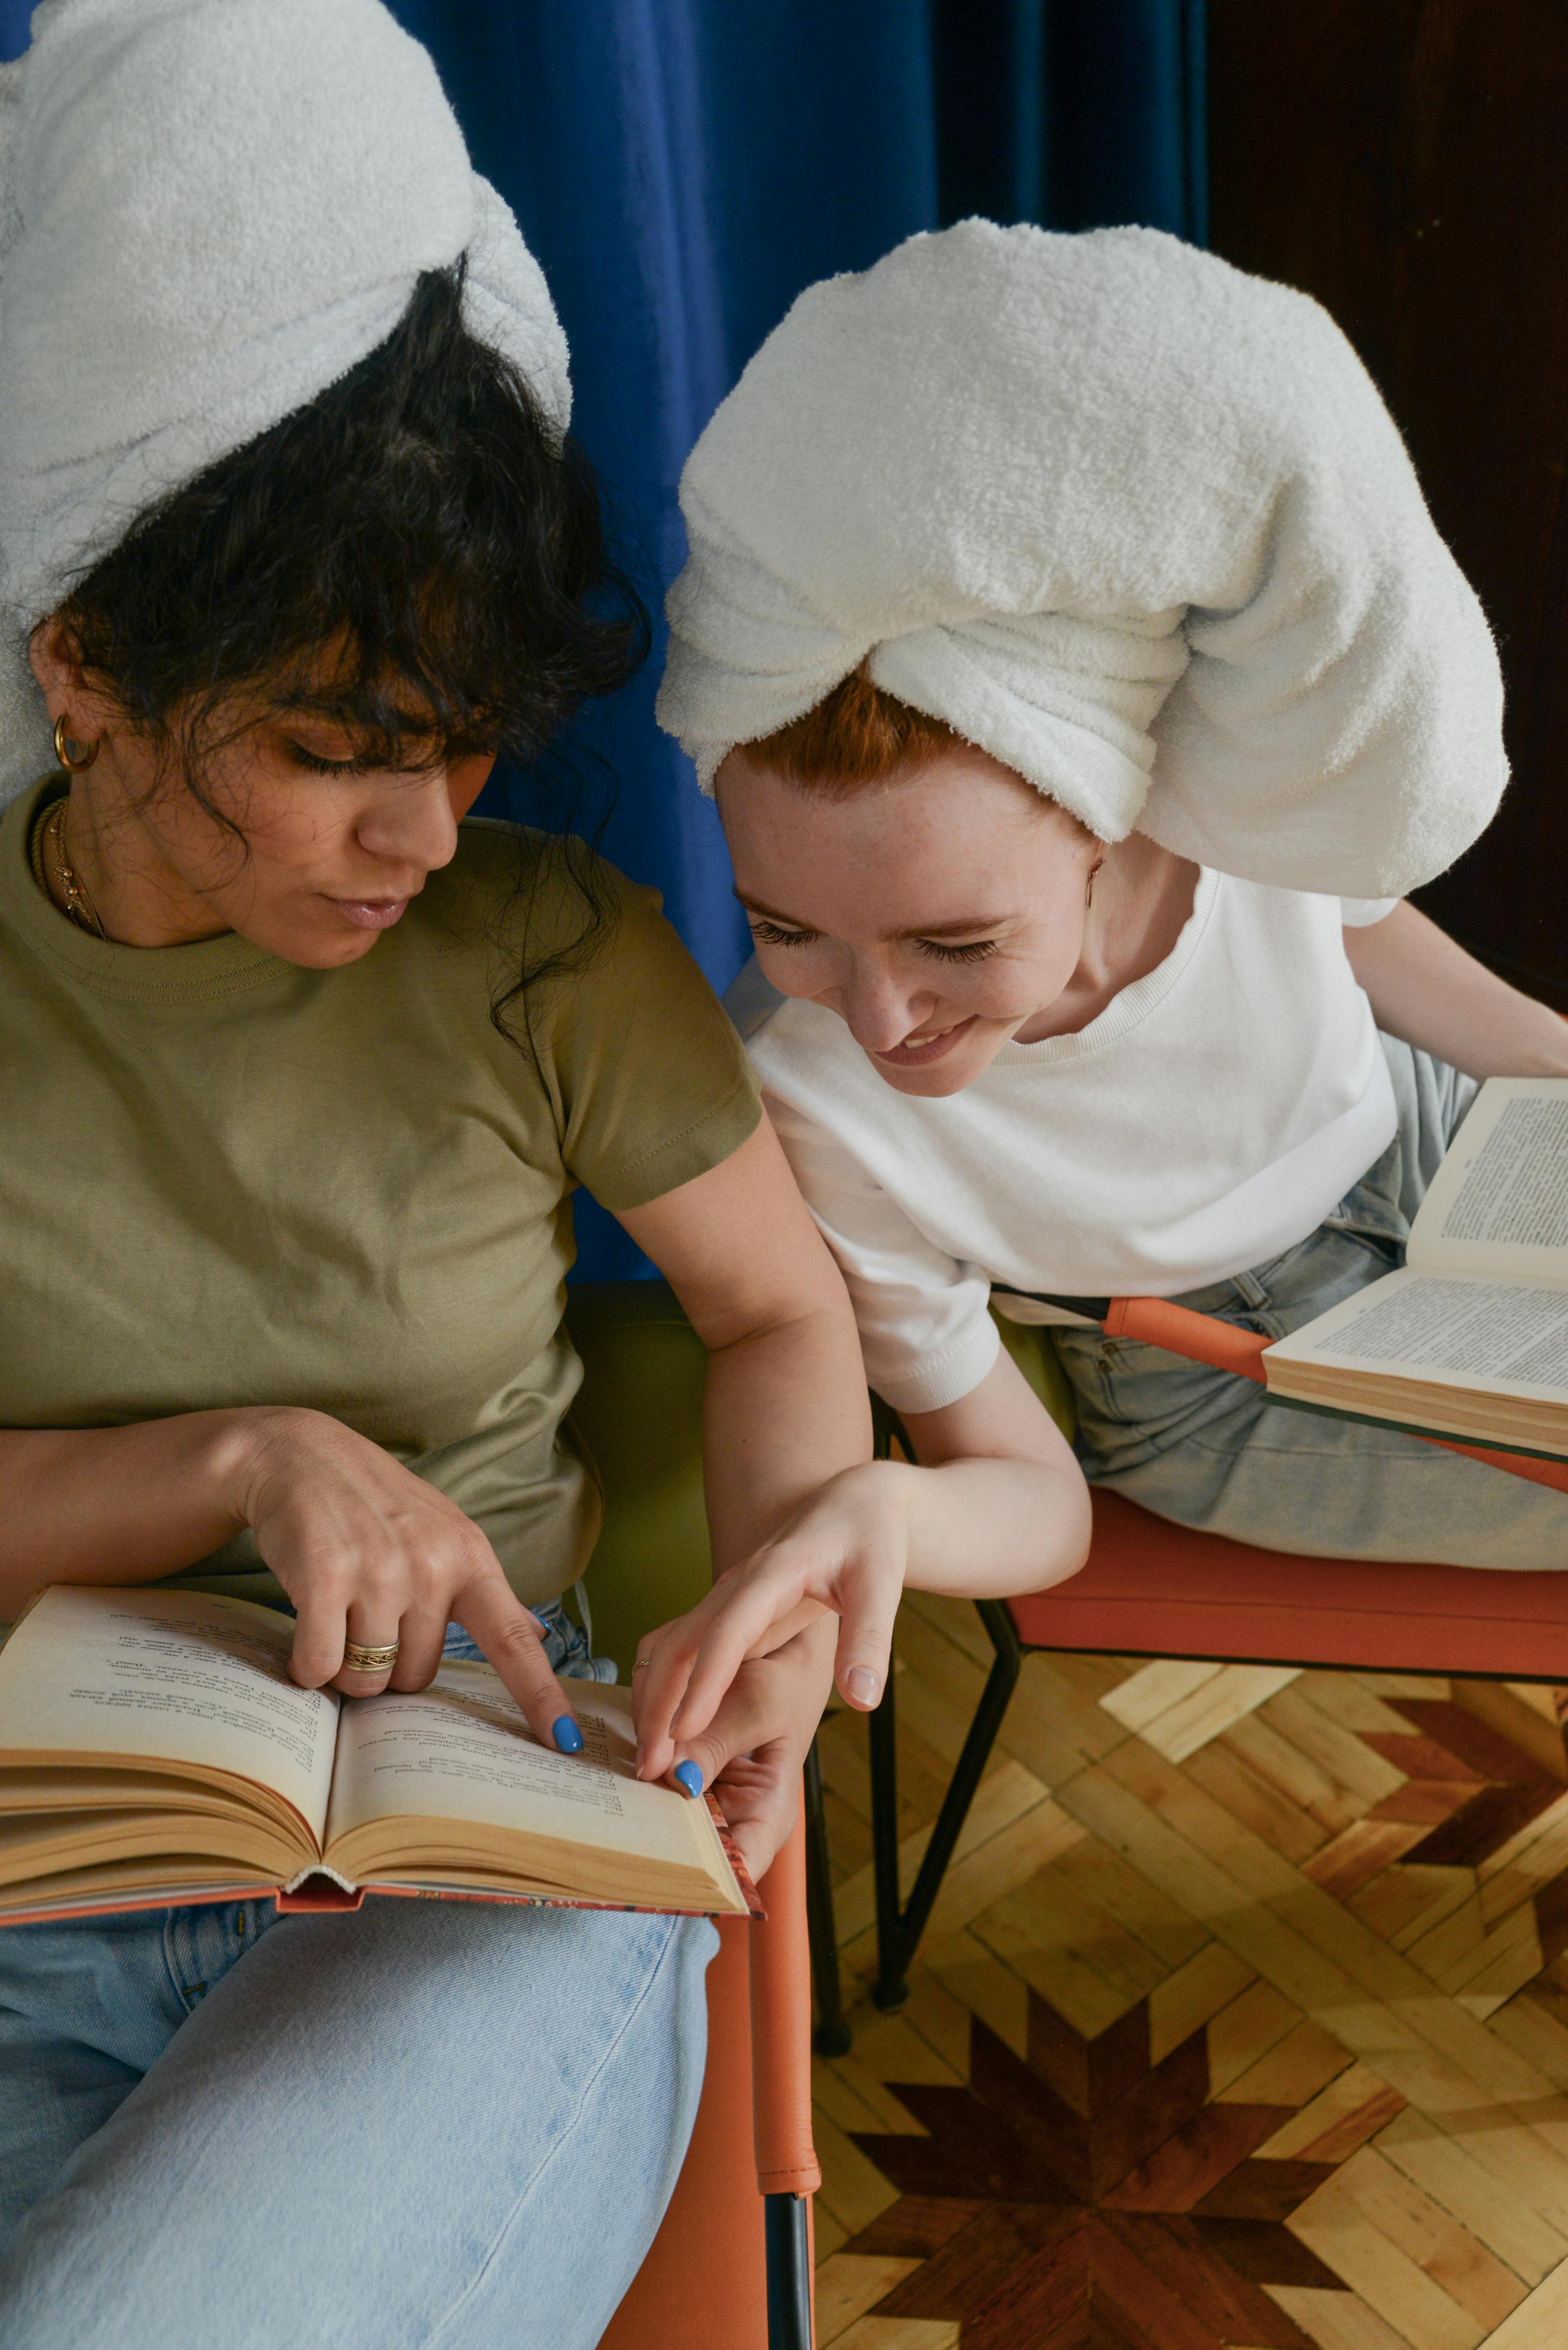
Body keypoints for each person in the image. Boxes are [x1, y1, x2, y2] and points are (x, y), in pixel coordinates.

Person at [0, 6, 870, 2343]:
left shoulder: (548, 962)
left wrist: (786, 1592)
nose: (428, 834)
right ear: (82, 663)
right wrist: (233, 1459)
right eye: (331, 753)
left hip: (477, 1846)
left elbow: (779, 1320)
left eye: (467, 742)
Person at [632, 220, 1568, 1765]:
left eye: (950, 942)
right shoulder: (800, 1108)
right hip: (1205, 1389)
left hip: (1441, 1154)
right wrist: (883, 1501)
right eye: (784, 926)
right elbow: (1037, 1501)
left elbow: (1440, 997)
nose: (878, 1023)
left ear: (1108, 823)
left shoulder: (1238, 824)